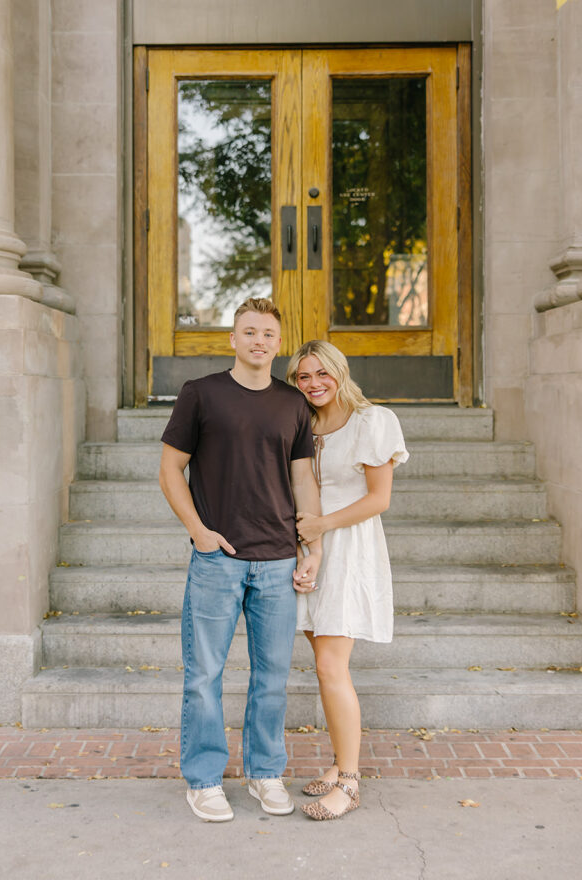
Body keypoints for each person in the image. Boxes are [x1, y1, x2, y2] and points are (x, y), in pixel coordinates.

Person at [159, 297, 322, 823]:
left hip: (276, 560)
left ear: (279, 343)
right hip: (218, 560)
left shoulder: (293, 403)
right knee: (204, 673)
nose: (258, 341)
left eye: (268, 334)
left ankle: (265, 773)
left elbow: (303, 480)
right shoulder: (200, 395)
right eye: (248, 331)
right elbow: (170, 470)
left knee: (271, 676)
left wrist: (310, 547)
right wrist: (199, 533)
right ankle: (203, 781)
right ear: (232, 339)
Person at [286, 340, 409, 821]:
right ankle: (338, 765)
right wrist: (309, 544)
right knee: (323, 662)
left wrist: (322, 527)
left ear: (340, 371)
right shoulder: (306, 425)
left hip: (349, 547)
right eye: (303, 377)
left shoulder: (372, 421)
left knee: (331, 666)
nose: (314, 384)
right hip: (312, 550)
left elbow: (380, 498)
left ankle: (351, 783)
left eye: (322, 374)